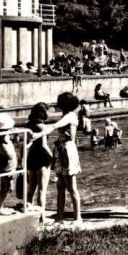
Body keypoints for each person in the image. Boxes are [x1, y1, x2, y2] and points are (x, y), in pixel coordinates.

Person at [31, 92, 83, 225]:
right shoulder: (66, 115)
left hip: (68, 151)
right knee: (60, 186)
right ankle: (59, 217)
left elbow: (54, 126)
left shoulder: (71, 116)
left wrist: (37, 135)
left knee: (72, 187)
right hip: (61, 151)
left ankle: (78, 219)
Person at [25, 103, 52, 223]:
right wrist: (53, 158)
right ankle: (42, 217)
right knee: (42, 189)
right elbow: (44, 146)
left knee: (31, 189)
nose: (49, 113)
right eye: (47, 111)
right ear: (42, 113)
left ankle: (27, 213)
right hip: (42, 158)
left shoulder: (28, 125)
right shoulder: (42, 127)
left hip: (31, 157)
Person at [0, 113, 18, 215]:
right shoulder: (0, 139)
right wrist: (9, 154)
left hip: (9, 166)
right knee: (9, 187)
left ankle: (1, 206)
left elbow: (16, 142)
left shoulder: (6, 136)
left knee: (5, 187)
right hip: (5, 167)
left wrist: (16, 135)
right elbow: (7, 154)